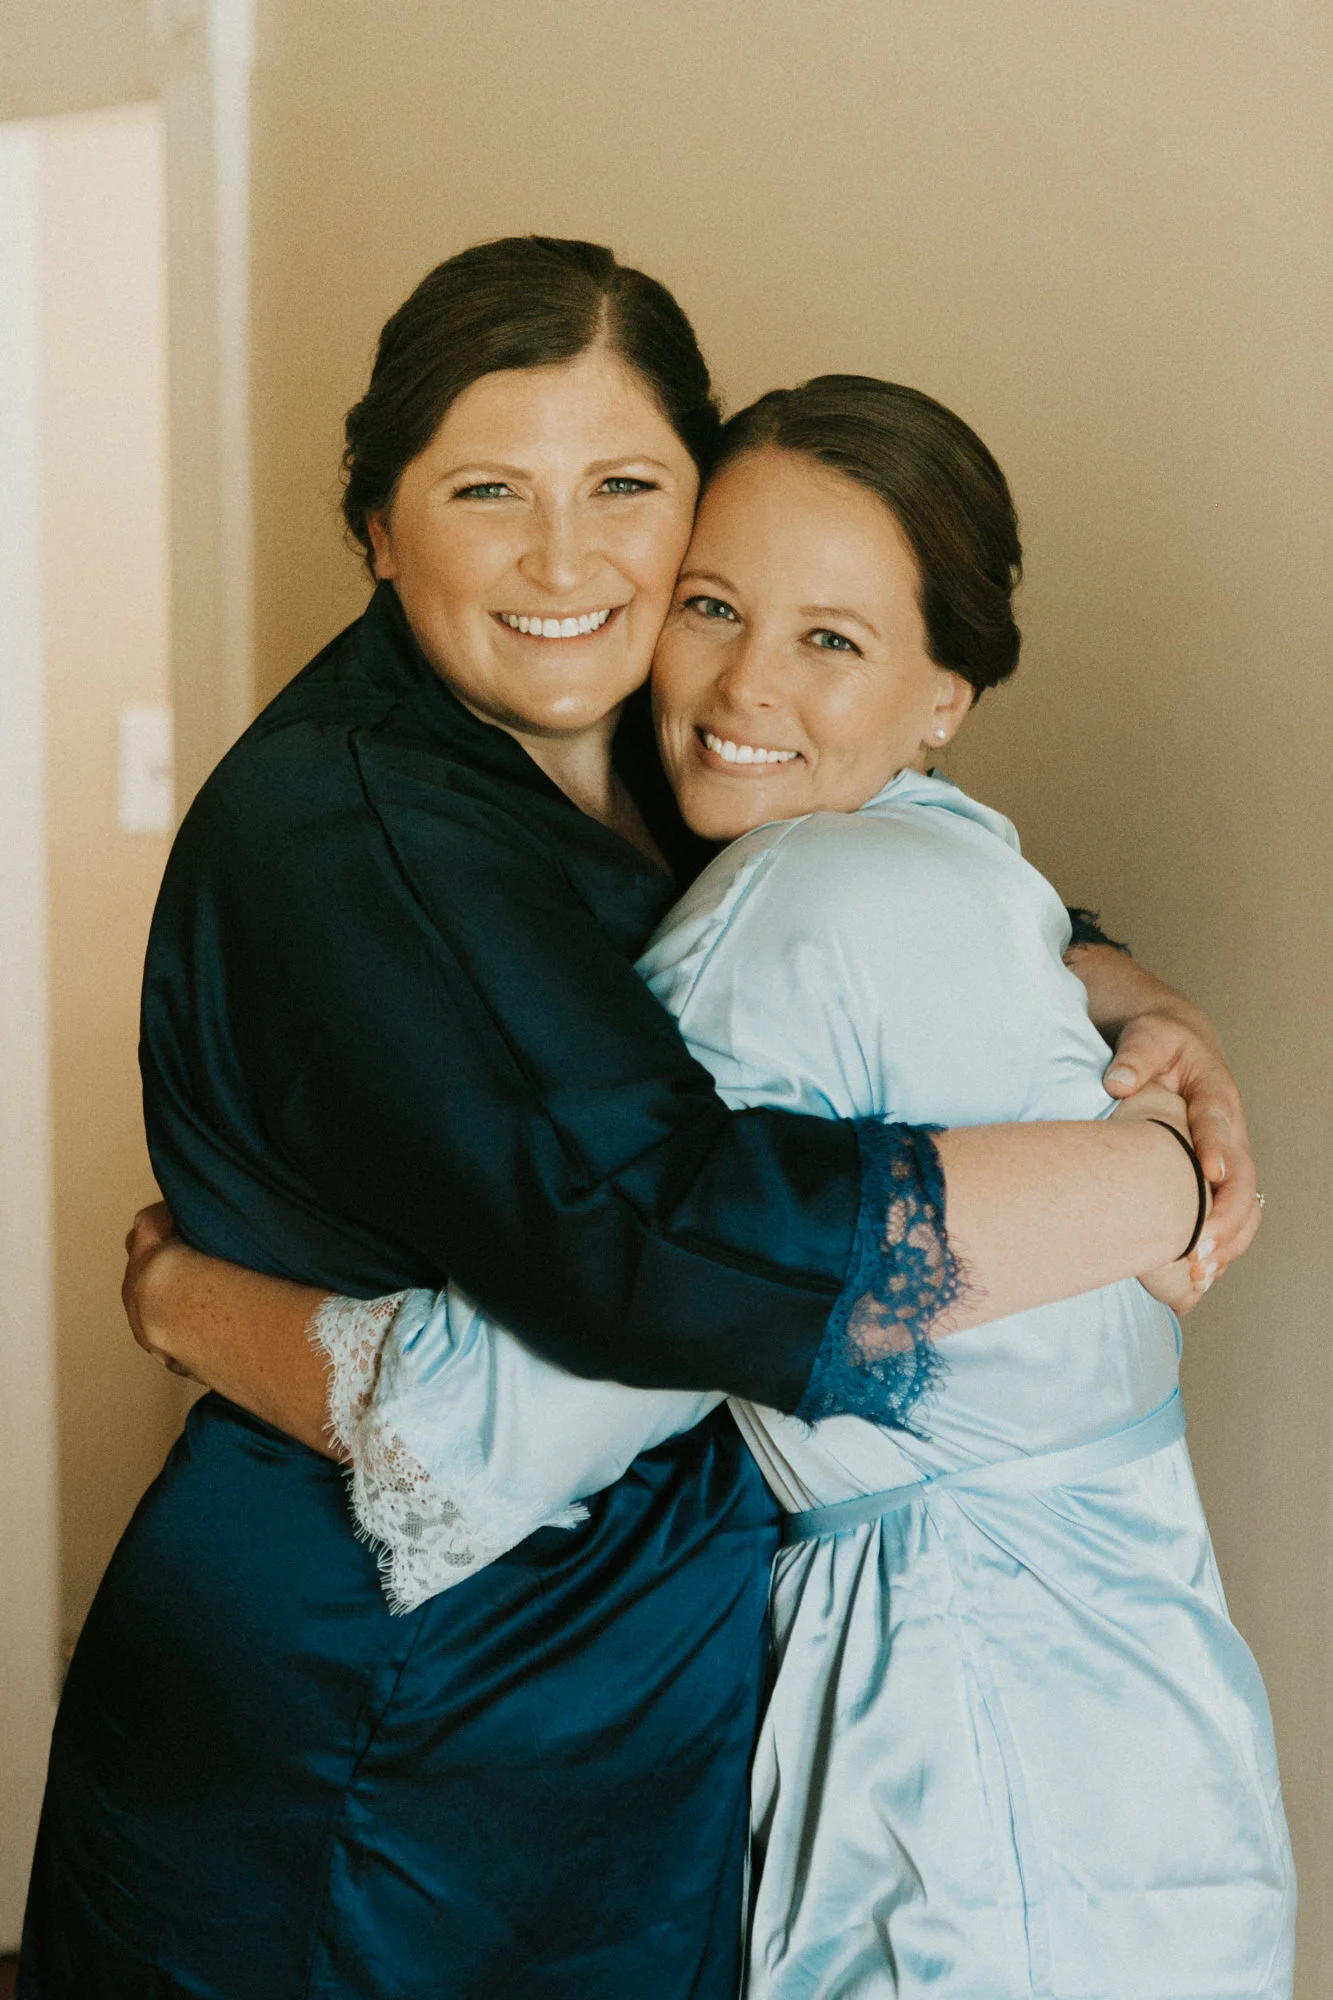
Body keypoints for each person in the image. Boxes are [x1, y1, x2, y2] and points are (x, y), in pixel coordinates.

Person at [21, 239, 1256, 2000]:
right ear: (377, 525)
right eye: (487, 491)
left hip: (623, 1715)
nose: (566, 559)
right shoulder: (356, 828)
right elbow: (651, 1245)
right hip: (382, 1709)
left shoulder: (671, 762)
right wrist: (1151, 1189)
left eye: (624, 488)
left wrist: (1134, 994)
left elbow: (900, 876)